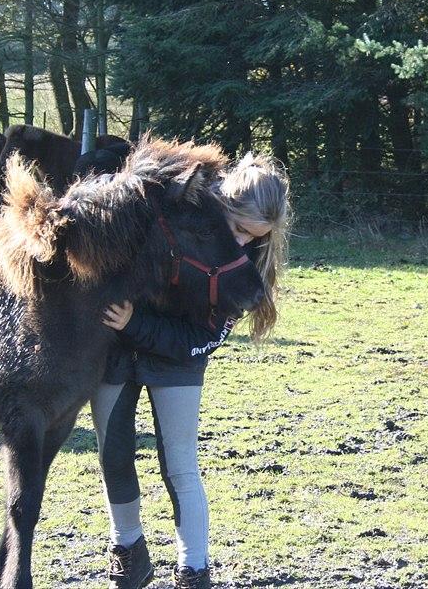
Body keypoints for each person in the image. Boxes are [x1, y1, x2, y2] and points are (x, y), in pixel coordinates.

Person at [90, 152, 291, 589]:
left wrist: (135, 323)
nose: (241, 244)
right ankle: (128, 552)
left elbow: (195, 340)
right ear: (221, 205)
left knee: (180, 464)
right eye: (237, 229)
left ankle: (193, 569)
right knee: (112, 454)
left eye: (254, 238)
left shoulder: (246, 267)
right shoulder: (173, 212)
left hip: (176, 358)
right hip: (116, 351)